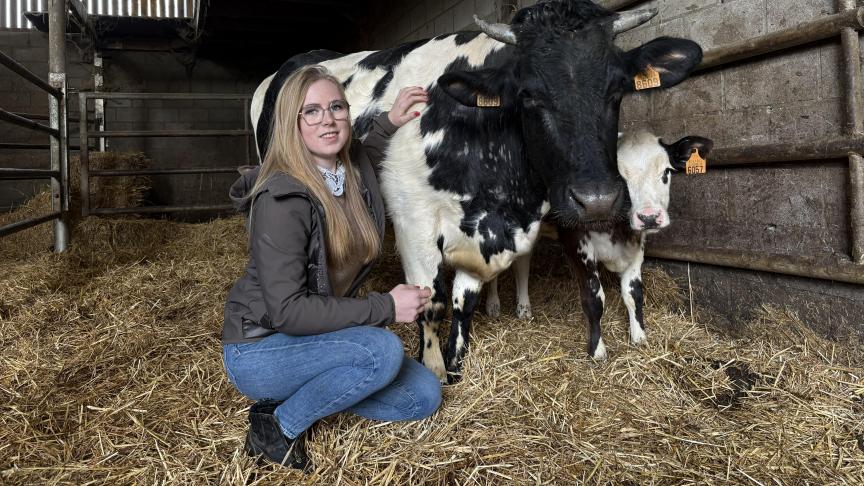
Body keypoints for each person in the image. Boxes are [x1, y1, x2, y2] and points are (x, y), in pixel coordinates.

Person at [222, 65, 440, 470]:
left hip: (316, 335)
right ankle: (276, 427)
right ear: (293, 123)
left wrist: (391, 120)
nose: (328, 119)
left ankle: (314, 386)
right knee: (381, 351)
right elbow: (288, 311)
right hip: (260, 347)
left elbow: (365, 155)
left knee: (422, 396)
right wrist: (386, 308)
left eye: (336, 107)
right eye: (312, 111)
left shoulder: (346, 169)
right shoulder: (281, 200)